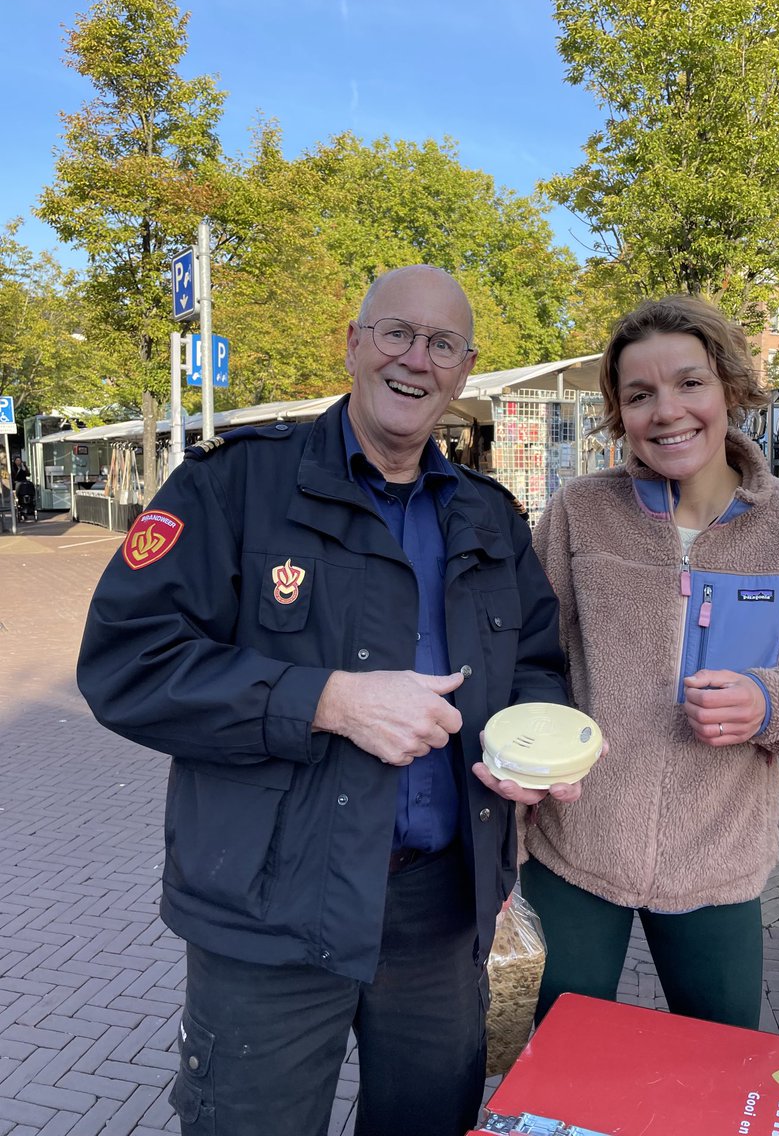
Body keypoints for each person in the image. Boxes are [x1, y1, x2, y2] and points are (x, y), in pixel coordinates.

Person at [77, 265, 580, 1136]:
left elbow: (534, 662)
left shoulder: (489, 517)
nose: (416, 359)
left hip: (440, 911)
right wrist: (327, 700)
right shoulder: (234, 485)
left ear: (464, 370)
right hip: (270, 904)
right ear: (353, 345)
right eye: (396, 333)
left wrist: (528, 751)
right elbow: (127, 661)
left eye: (442, 345)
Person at [521, 294, 779, 1032]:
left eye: (689, 383)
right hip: (575, 847)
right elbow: (527, 661)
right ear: (618, 411)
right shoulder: (578, 512)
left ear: (729, 387)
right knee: (565, 1061)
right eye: (639, 394)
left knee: (723, 1062)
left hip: (718, 861)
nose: (667, 411)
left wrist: (773, 701)